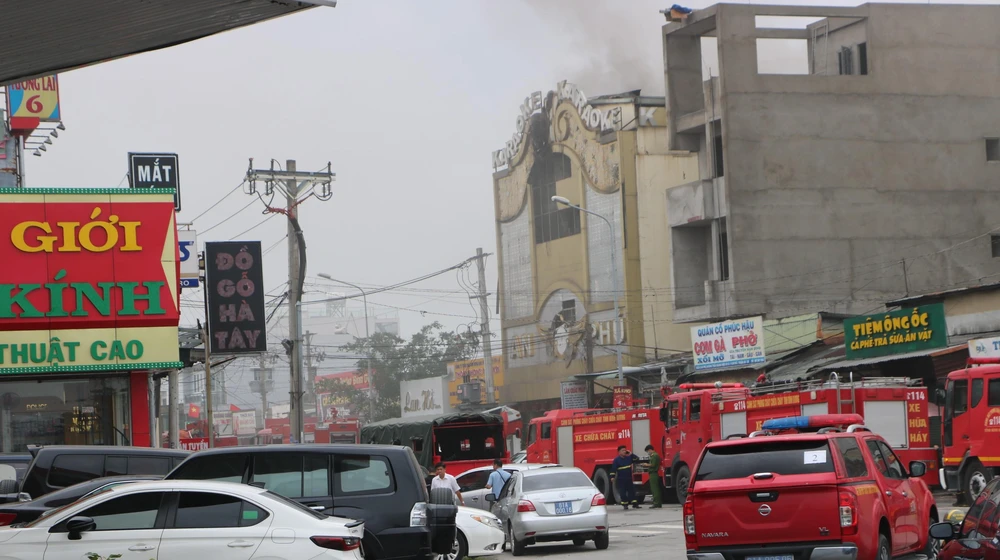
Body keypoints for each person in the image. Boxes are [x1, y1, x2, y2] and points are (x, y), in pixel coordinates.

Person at [611, 445, 641, 510]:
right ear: (619, 452)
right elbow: (613, 469)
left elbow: (637, 459)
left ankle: (635, 504)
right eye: (623, 450)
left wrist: (631, 454)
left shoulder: (628, 458)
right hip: (621, 479)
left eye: (625, 450)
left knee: (632, 491)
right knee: (623, 492)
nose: (624, 451)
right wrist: (612, 477)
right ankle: (625, 504)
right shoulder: (616, 460)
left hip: (629, 478)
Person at [645, 444, 663, 509]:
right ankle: (657, 503)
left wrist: (646, 465)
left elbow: (653, 465)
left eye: (647, 451)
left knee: (655, 489)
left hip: (653, 473)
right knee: (655, 489)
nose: (648, 453)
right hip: (653, 473)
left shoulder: (654, 455)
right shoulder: (655, 455)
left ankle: (656, 503)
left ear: (650, 450)